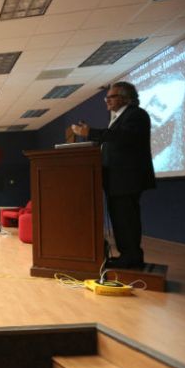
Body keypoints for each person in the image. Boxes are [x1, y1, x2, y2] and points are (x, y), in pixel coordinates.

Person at [71, 81, 156, 269]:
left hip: (127, 179)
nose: (106, 101)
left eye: (111, 97)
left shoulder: (136, 115)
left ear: (126, 98)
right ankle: (127, 255)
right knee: (120, 219)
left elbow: (124, 138)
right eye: (106, 97)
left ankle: (132, 257)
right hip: (116, 180)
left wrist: (91, 132)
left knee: (126, 220)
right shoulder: (119, 117)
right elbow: (113, 141)